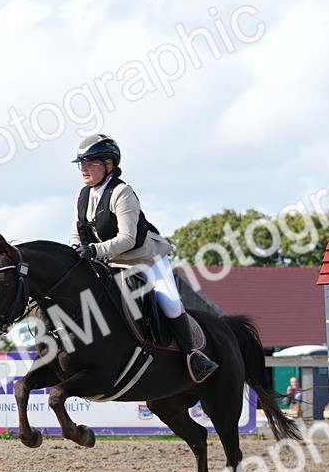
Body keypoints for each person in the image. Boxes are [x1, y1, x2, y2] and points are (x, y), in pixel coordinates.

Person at [67, 134, 217, 382]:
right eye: (81, 163)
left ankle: (194, 355)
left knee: (169, 303)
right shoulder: (83, 195)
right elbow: (77, 231)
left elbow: (128, 237)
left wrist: (93, 251)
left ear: (109, 165)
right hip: (110, 263)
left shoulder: (122, 192)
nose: (84, 168)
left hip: (144, 260)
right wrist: (73, 251)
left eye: (90, 163)